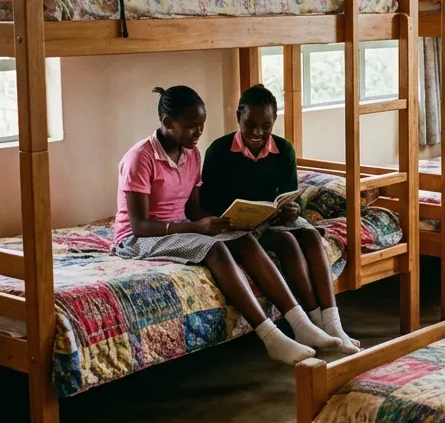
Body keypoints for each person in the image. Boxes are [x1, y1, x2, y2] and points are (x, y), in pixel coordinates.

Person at [114, 86, 345, 364]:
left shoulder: (191, 154)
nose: (198, 134)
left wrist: (223, 223)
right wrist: (197, 228)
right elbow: (139, 225)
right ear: (166, 123)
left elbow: (192, 208)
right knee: (215, 250)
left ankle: (300, 324)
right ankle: (271, 337)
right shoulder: (141, 157)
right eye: (191, 128)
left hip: (181, 226)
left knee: (243, 239)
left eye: (201, 126)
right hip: (141, 237)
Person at [201, 84, 359, 355]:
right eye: (250, 124)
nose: (257, 133)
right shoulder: (219, 150)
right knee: (284, 240)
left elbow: (291, 197)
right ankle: (309, 323)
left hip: (271, 222)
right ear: (238, 115)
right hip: (235, 225)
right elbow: (207, 201)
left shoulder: (283, 150)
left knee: (307, 235)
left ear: (274, 122)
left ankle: (331, 324)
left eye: (266, 126)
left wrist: (292, 210)